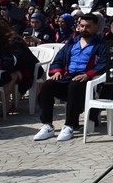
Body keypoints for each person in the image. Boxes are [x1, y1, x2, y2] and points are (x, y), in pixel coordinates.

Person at [33, 14, 108, 142]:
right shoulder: (72, 42)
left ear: (96, 27)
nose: (84, 29)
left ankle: (69, 125)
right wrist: (57, 71)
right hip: (68, 75)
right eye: (82, 26)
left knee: (74, 85)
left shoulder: (101, 44)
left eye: (88, 26)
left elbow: (104, 63)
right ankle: (47, 125)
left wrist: (88, 74)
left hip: (87, 79)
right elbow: (59, 59)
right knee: (47, 85)